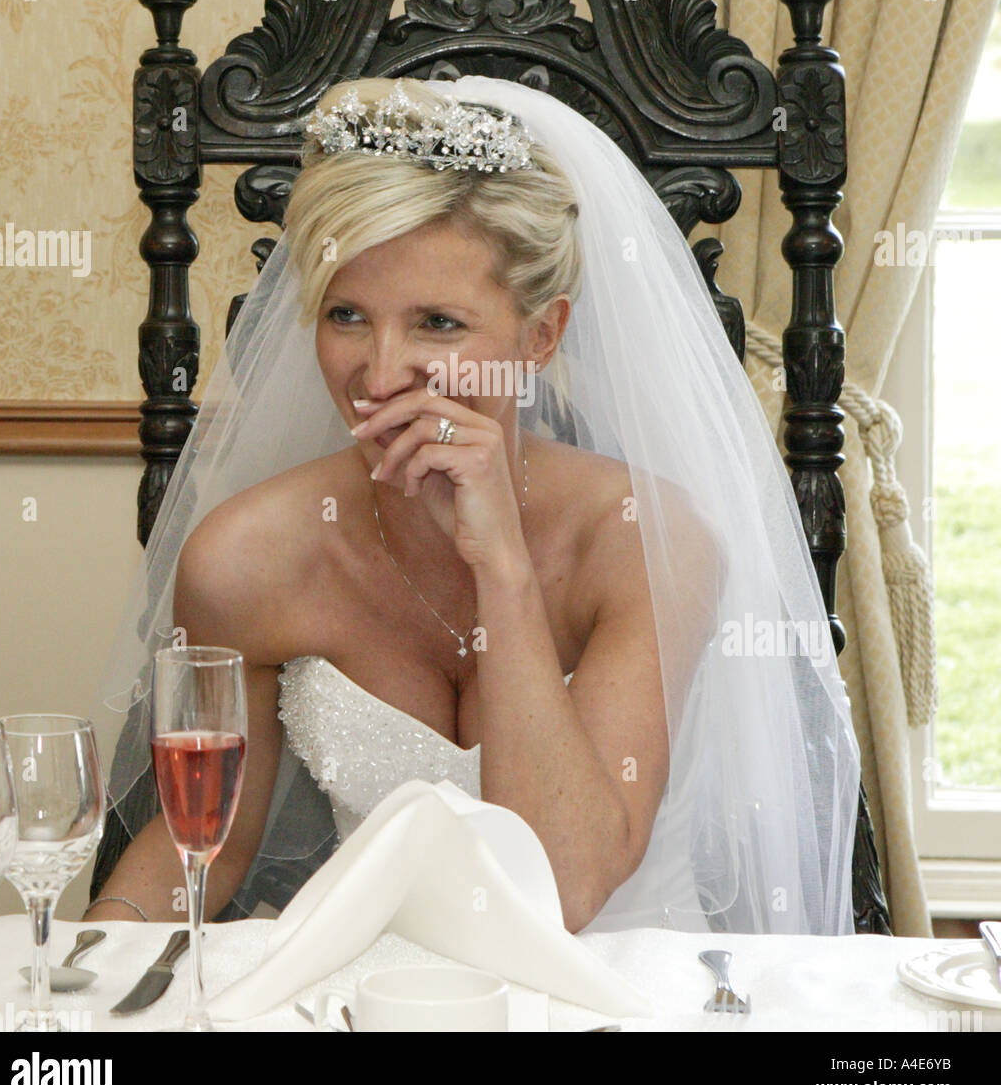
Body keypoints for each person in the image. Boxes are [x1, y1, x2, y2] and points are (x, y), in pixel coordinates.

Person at [86, 75, 860, 936]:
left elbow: (565, 890)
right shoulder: (244, 560)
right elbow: (210, 847)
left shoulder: (647, 539)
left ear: (540, 337)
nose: (378, 377)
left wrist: (502, 565)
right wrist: (92, 960)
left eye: (438, 324)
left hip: (625, 993)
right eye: (346, 314)